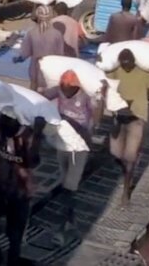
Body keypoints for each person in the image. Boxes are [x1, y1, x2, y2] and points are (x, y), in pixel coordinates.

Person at [0, 114, 46, 265]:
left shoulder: (27, 136)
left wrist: (37, 134)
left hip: (19, 194)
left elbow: (32, 162)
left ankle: (11, 261)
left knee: (14, 238)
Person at [43, 71, 102, 242]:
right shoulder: (58, 90)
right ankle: (70, 219)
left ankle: (61, 228)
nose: (65, 90)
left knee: (69, 187)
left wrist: (91, 133)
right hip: (62, 143)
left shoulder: (85, 96)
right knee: (65, 182)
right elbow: (42, 97)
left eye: (68, 87)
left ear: (76, 86)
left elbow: (95, 113)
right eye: (63, 86)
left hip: (78, 145)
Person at [109, 49, 149, 204]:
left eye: (129, 62)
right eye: (123, 63)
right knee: (115, 152)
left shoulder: (144, 73)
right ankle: (127, 167)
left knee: (130, 156)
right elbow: (107, 85)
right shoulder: (115, 71)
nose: (126, 66)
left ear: (134, 61)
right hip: (119, 116)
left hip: (137, 117)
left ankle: (126, 190)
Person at [14, 4, 64, 91]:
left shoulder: (31, 32)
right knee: (48, 91)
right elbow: (60, 54)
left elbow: (25, 52)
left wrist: (19, 59)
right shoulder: (57, 34)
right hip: (51, 68)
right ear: (51, 16)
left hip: (35, 66)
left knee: (33, 88)